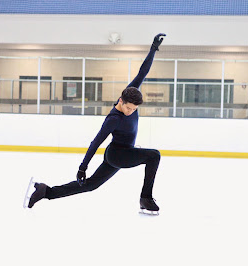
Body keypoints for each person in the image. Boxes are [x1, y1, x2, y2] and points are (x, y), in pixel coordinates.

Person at [27, 33, 166, 214]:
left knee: (91, 185)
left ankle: (46, 191)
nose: (131, 111)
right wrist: (82, 168)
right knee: (154, 156)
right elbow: (96, 142)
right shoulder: (113, 119)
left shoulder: (130, 92)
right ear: (121, 101)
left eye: (134, 109)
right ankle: (145, 198)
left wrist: (153, 48)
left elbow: (143, 72)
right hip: (118, 155)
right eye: (129, 108)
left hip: (119, 153)